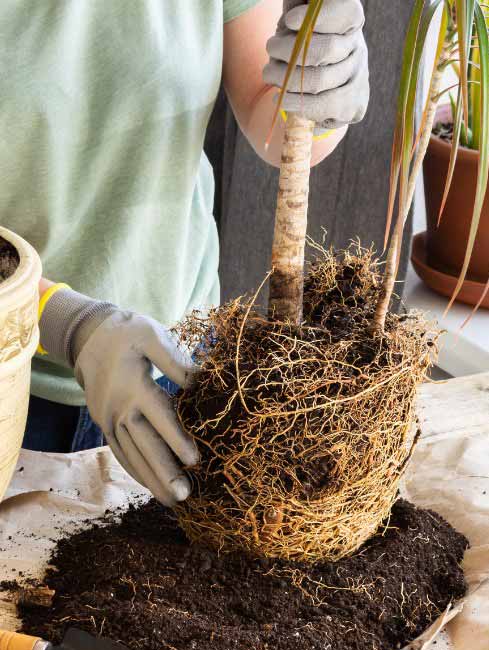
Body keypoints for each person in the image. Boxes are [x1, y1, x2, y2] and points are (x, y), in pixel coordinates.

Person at [1, 0, 369, 506]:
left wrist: (321, 94)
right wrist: (65, 321)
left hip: (180, 364)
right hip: (14, 383)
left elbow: (267, 106)